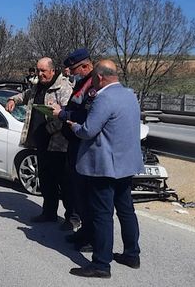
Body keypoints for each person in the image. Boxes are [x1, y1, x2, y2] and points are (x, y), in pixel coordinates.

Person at [67, 60, 143, 279]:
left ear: (99, 77)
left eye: (93, 78)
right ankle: (132, 254)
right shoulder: (129, 94)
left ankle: (101, 264)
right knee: (126, 210)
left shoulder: (104, 98)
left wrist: (74, 126)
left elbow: (89, 131)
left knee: (102, 215)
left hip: (105, 166)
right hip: (126, 164)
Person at [6, 57, 73, 226]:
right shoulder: (37, 87)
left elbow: (68, 114)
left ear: (52, 70)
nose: (40, 74)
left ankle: (72, 217)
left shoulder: (63, 87)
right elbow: (25, 95)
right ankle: (48, 212)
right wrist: (13, 100)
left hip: (59, 144)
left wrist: (49, 129)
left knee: (64, 183)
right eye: (38, 70)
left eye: (43, 71)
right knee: (46, 179)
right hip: (41, 142)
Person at [50, 48, 96, 250]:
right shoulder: (81, 83)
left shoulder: (94, 86)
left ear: (86, 66)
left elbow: (87, 117)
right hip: (74, 145)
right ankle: (83, 234)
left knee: (88, 197)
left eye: (75, 69)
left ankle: (92, 238)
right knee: (78, 194)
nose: (72, 73)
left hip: (84, 146)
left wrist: (62, 114)